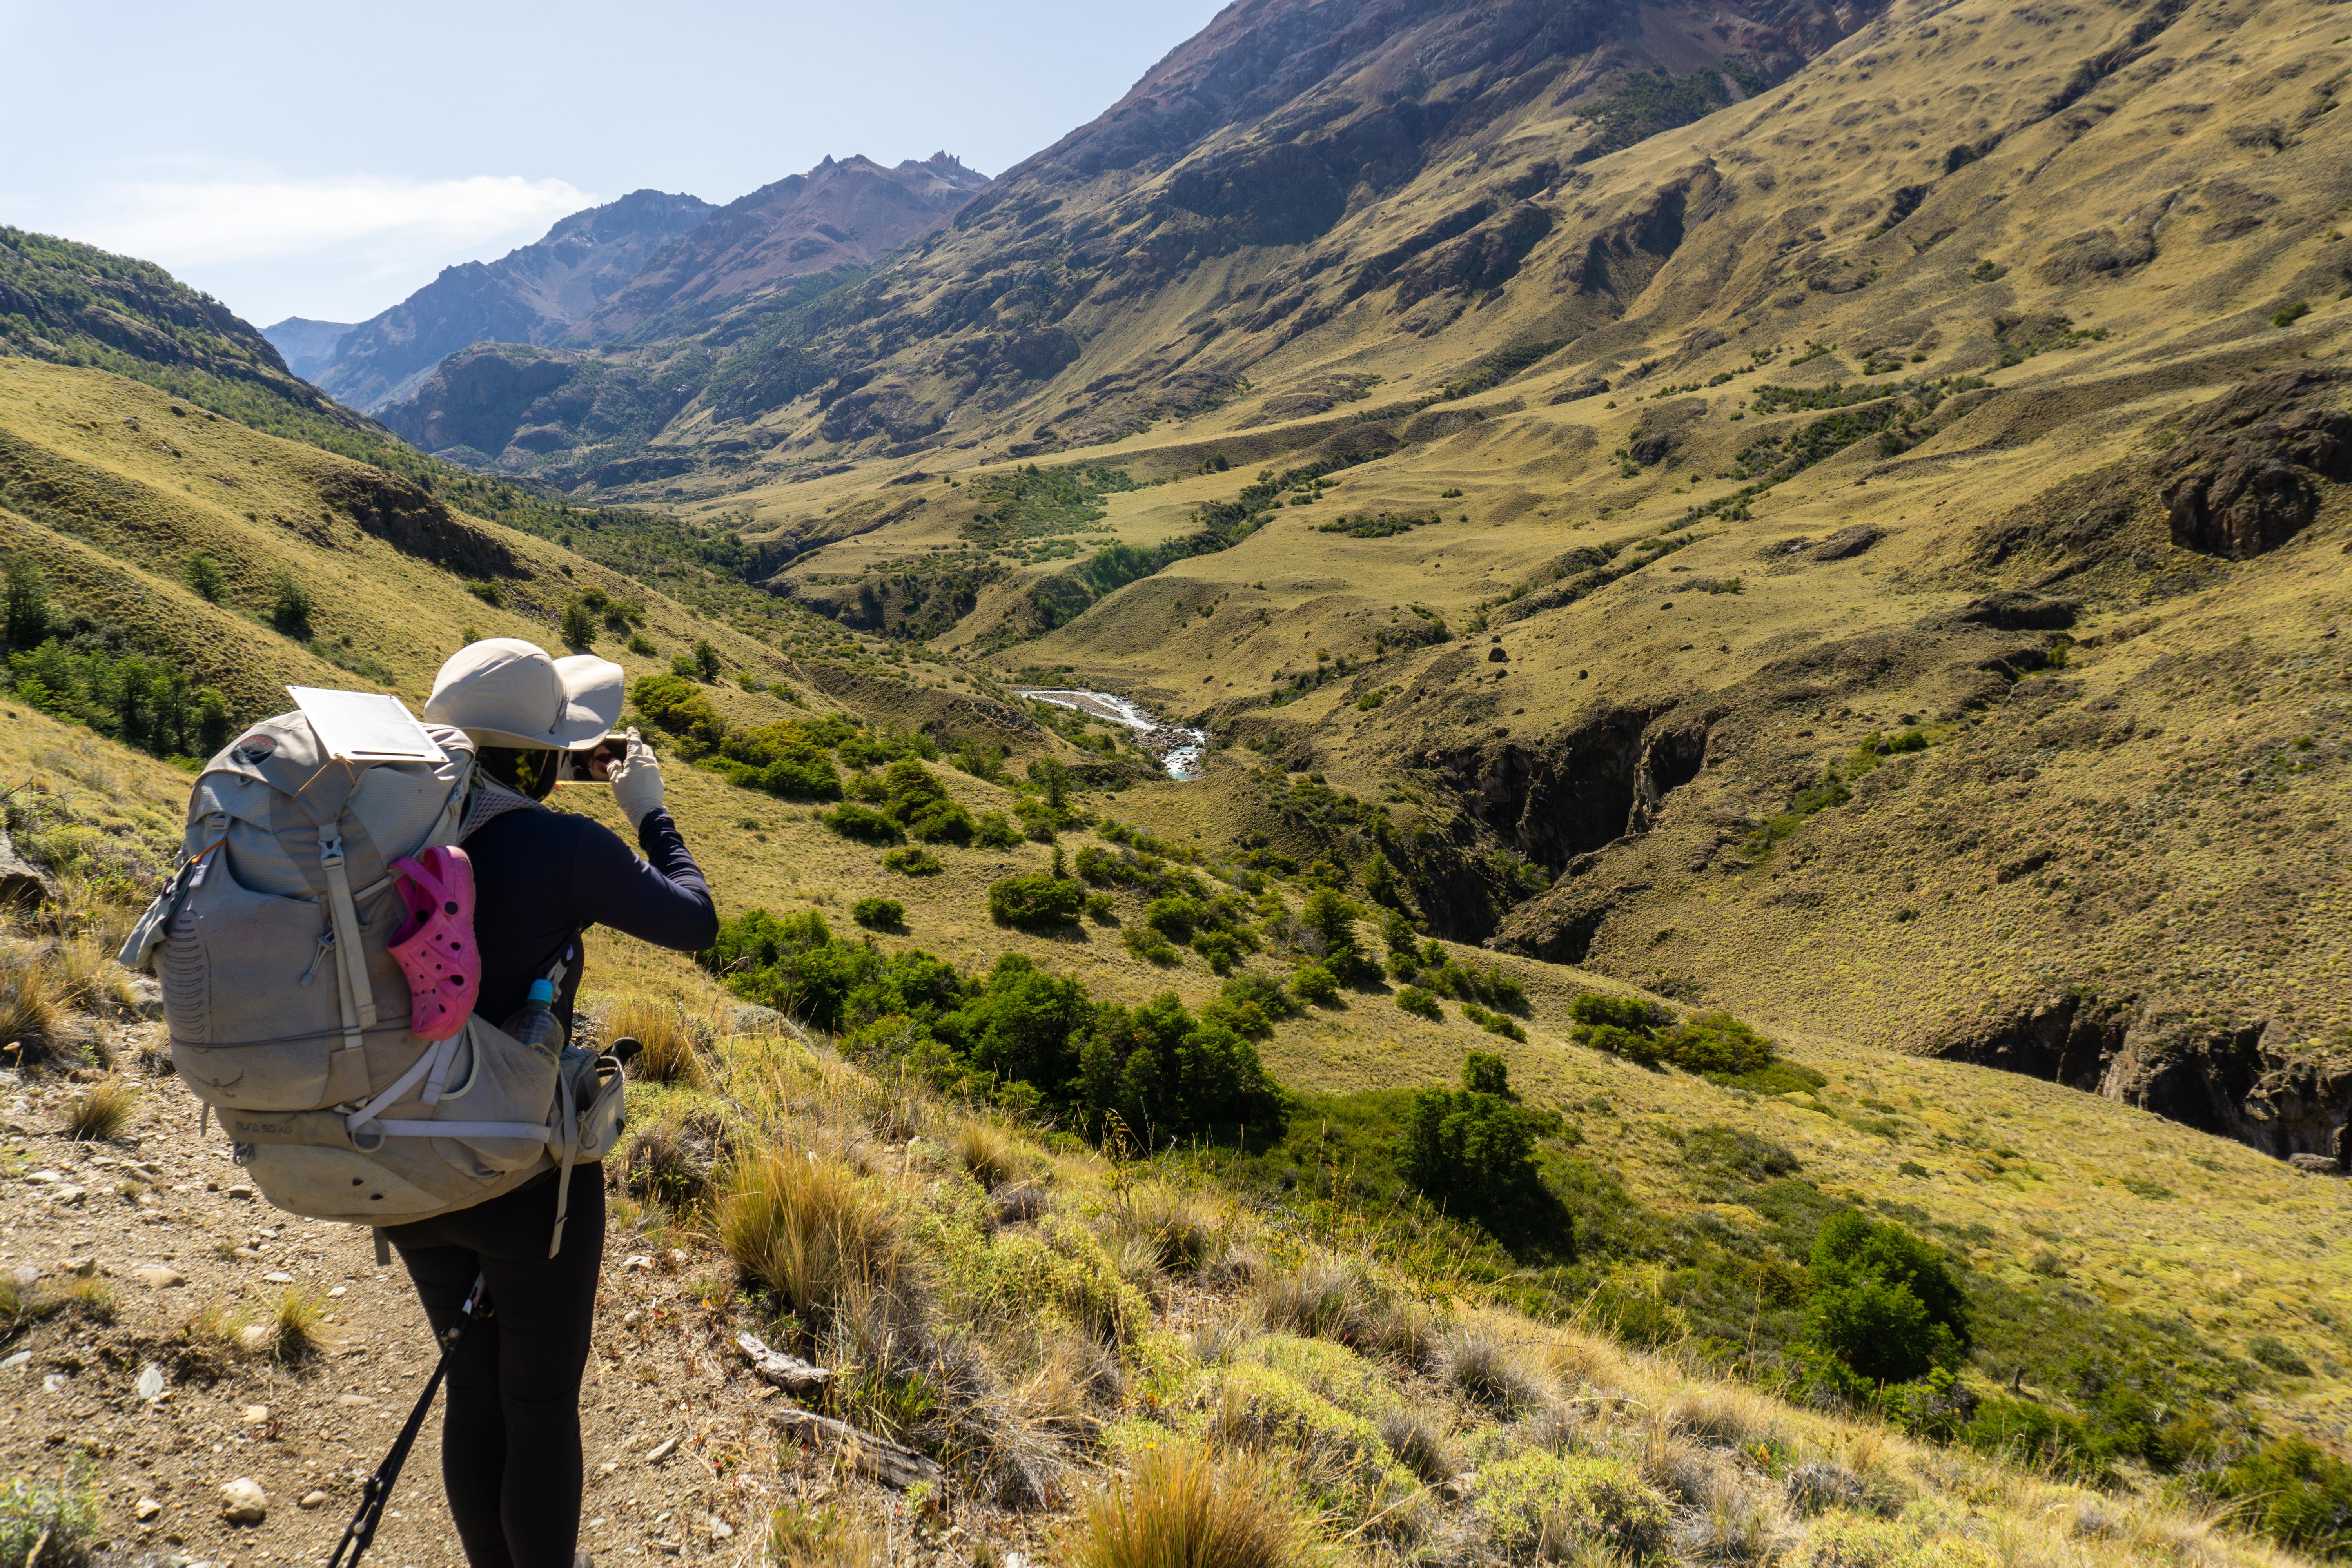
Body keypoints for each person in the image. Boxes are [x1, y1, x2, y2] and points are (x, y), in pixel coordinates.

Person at [390, 638, 718, 1568]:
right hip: (520, 1168)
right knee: (538, 1403)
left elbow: (497, 801)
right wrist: (648, 812)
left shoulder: (403, 814)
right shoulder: (565, 844)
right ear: (540, 756)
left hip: (403, 1152)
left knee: (474, 1384)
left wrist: (545, 762)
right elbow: (695, 918)